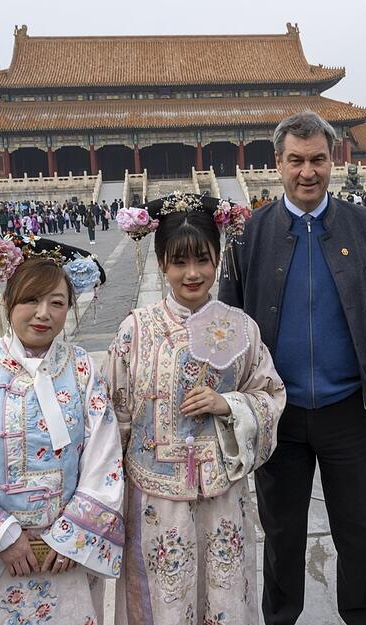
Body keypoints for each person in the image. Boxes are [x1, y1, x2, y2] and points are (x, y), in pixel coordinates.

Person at [220, 111, 366, 625]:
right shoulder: (249, 233)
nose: (308, 172)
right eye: (296, 160)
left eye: (318, 159)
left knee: (358, 529)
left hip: (349, 409)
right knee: (281, 532)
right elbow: (229, 321)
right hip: (278, 412)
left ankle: (363, 616)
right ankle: (281, 618)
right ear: (277, 164)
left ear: (333, 161)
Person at [108, 193, 286, 624]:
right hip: (155, 498)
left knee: (224, 594)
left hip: (222, 495)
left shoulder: (242, 328)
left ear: (218, 259)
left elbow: (271, 395)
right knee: (165, 600)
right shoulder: (135, 330)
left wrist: (229, 404)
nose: (192, 273)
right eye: (179, 262)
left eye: (203, 260)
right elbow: (114, 416)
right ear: (161, 263)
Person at [0, 241, 121, 624]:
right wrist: (2, 535)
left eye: (57, 303)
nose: (43, 313)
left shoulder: (82, 370)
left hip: (67, 552)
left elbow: (104, 457)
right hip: (0, 556)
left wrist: (74, 534)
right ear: (8, 301)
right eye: (31, 300)